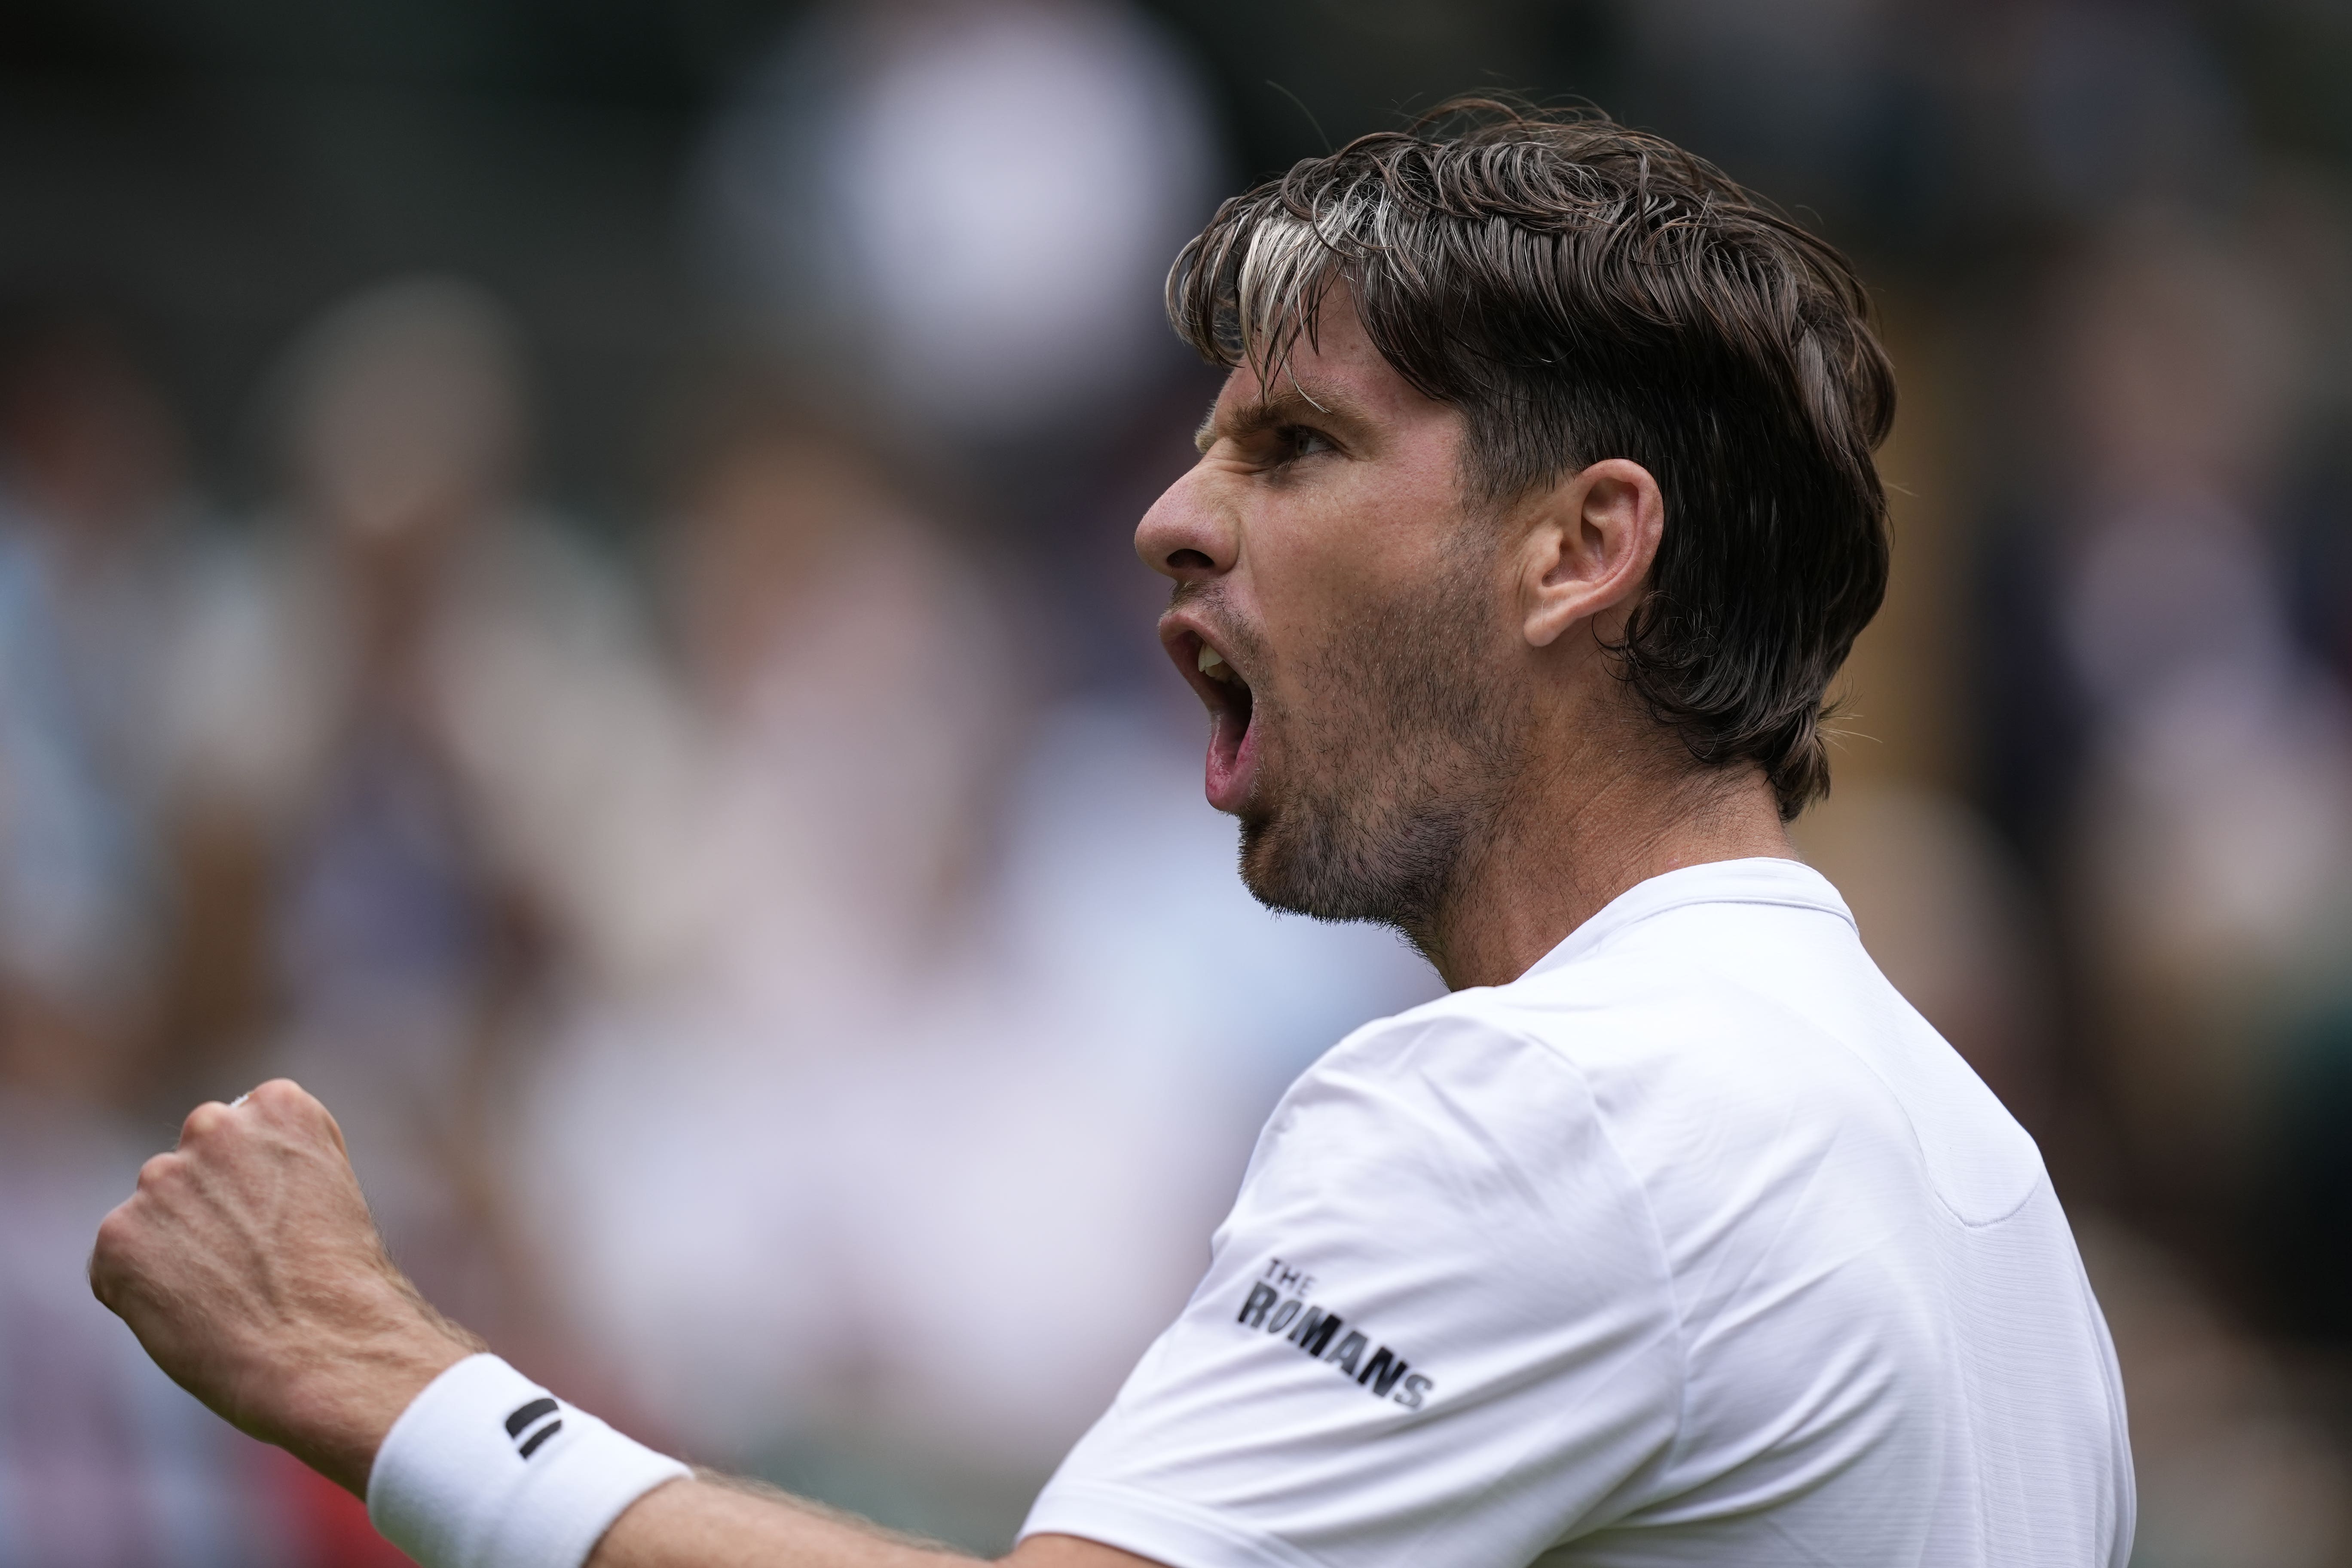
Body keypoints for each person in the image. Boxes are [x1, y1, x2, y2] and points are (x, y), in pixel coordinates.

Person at [88, 103, 2135, 1568]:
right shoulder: (1987, 1183)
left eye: (1297, 445)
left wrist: (387, 1378)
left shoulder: (1538, 1108)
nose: (1174, 513)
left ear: (1579, 551)